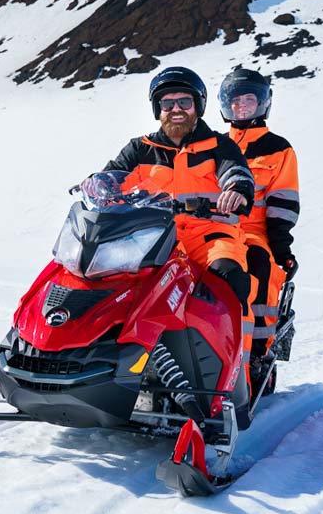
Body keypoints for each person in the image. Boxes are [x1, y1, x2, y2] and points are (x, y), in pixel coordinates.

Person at [102, 66, 258, 360]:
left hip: (210, 236)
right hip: (154, 241)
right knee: (114, 284)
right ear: (157, 109)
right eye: (167, 103)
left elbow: (236, 172)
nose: (176, 109)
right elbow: (111, 177)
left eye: (184, 102)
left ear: (196, 106)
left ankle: (238, 367)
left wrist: (236, 188)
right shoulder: (140, 148)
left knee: (229, 276)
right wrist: (94, 186)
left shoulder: (218, 145)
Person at [218, 67, 300, 395]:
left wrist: (281, 247)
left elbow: (283, 202)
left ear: (262, 103)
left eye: (249, 100)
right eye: (235, 101)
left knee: (257, 271)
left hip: (254, 234)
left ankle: (254, 357)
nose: (241, 107)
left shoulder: (278, 149)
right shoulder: (215, 144)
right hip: (213, 230)